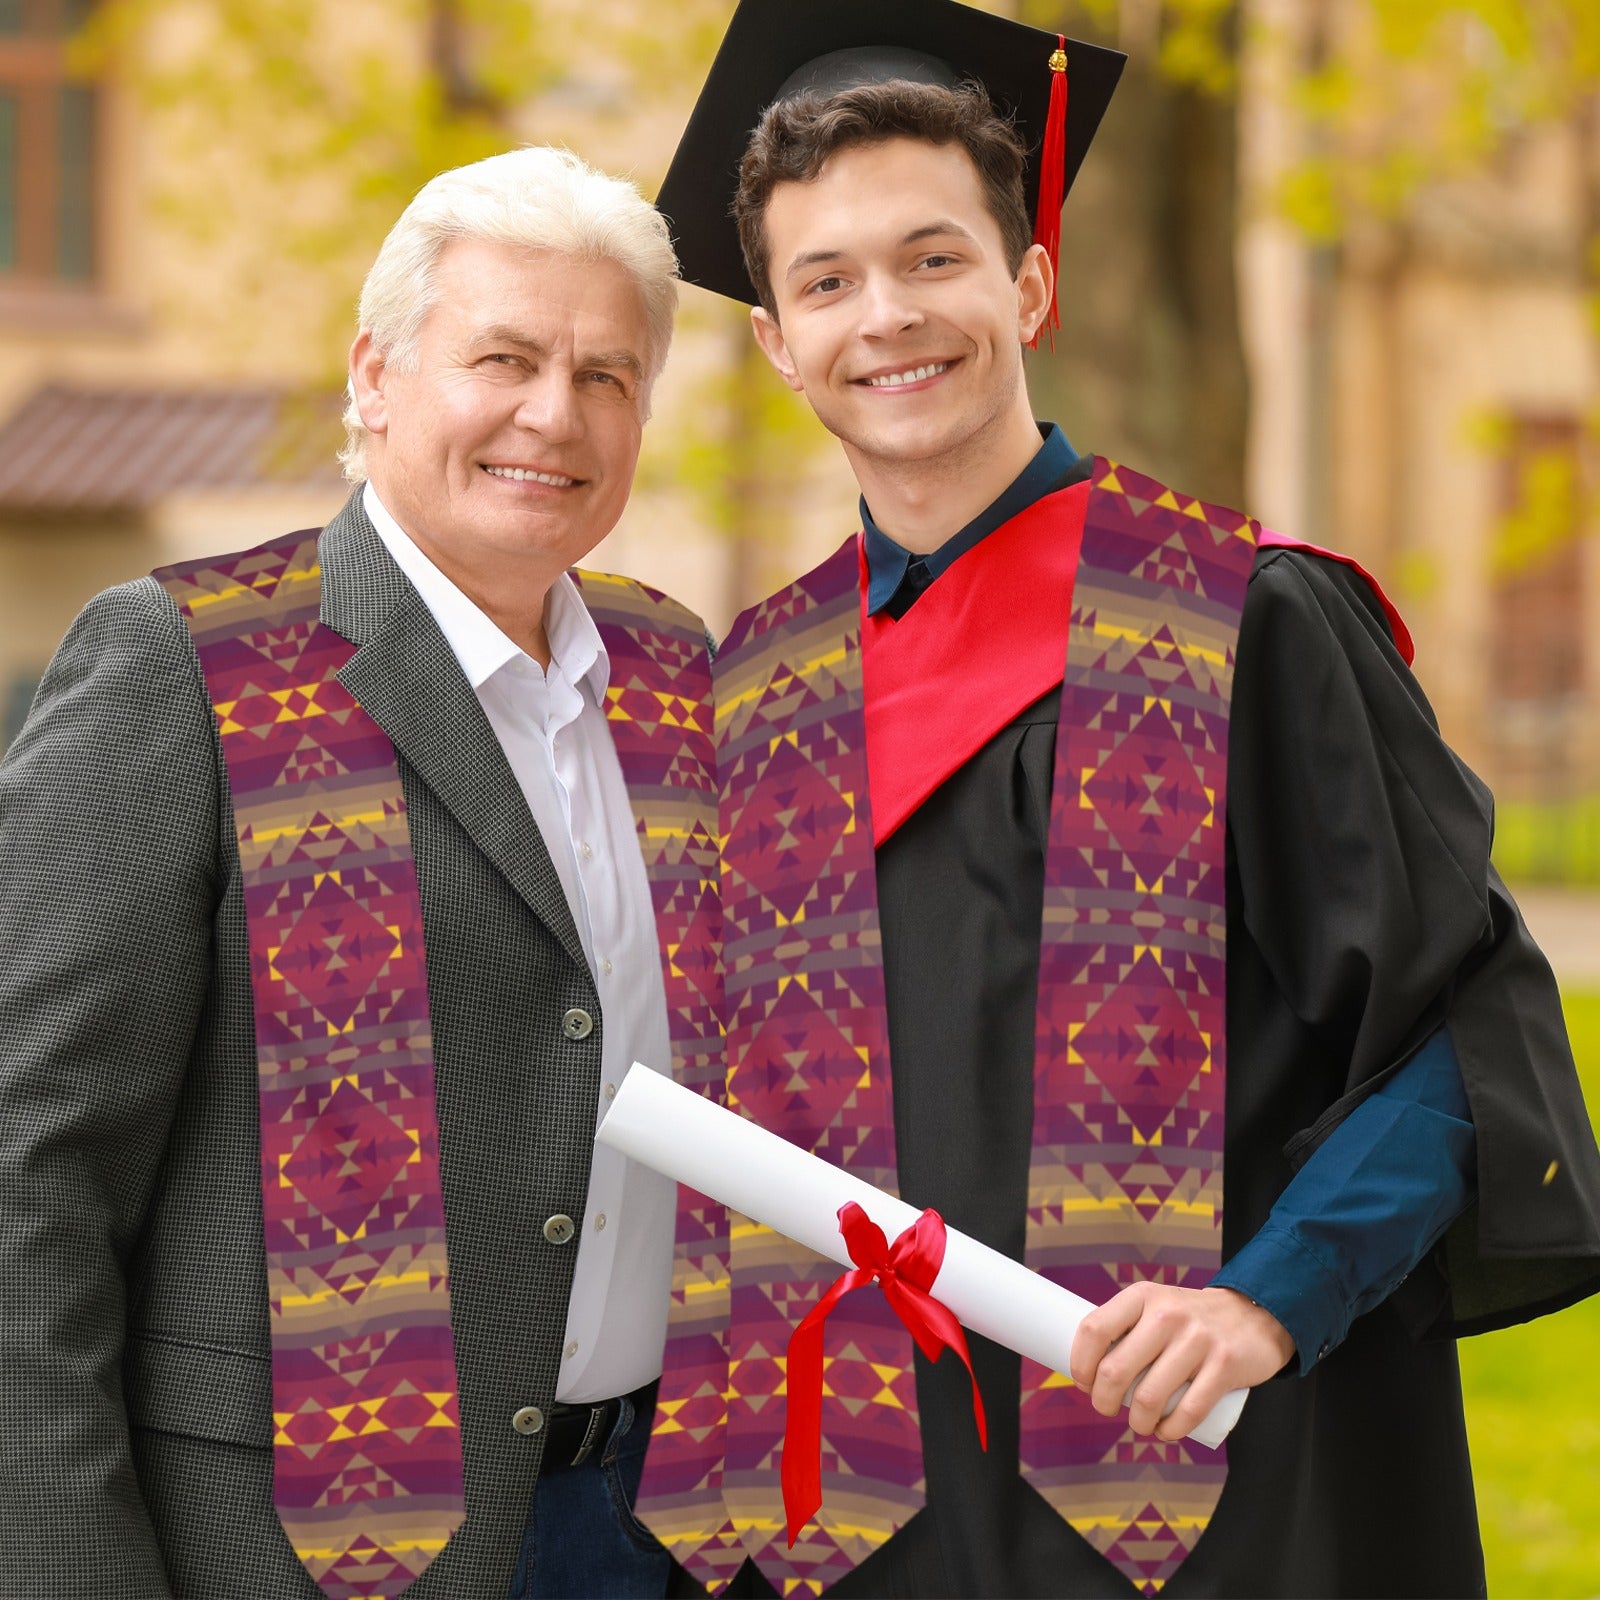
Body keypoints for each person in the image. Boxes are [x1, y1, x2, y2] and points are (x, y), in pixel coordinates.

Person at [646, 2, 1600, 1595]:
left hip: (1209, 1492)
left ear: (1028, 281)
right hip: (863, 1526)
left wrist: (1269, 1299)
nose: (886, 316)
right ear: (776, 341)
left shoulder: (1245, 622)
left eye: (935, 258)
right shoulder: (752, 692)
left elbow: (1462, 1033)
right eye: (826, 282)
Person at [0, 146, 724, 1600]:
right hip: (299, 1552)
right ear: (376, 376)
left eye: (606, 375)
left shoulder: (677, 676)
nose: (553, 414)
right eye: (504, 357)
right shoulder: (187, 667)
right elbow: (30, 1173)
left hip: (657, 1529)